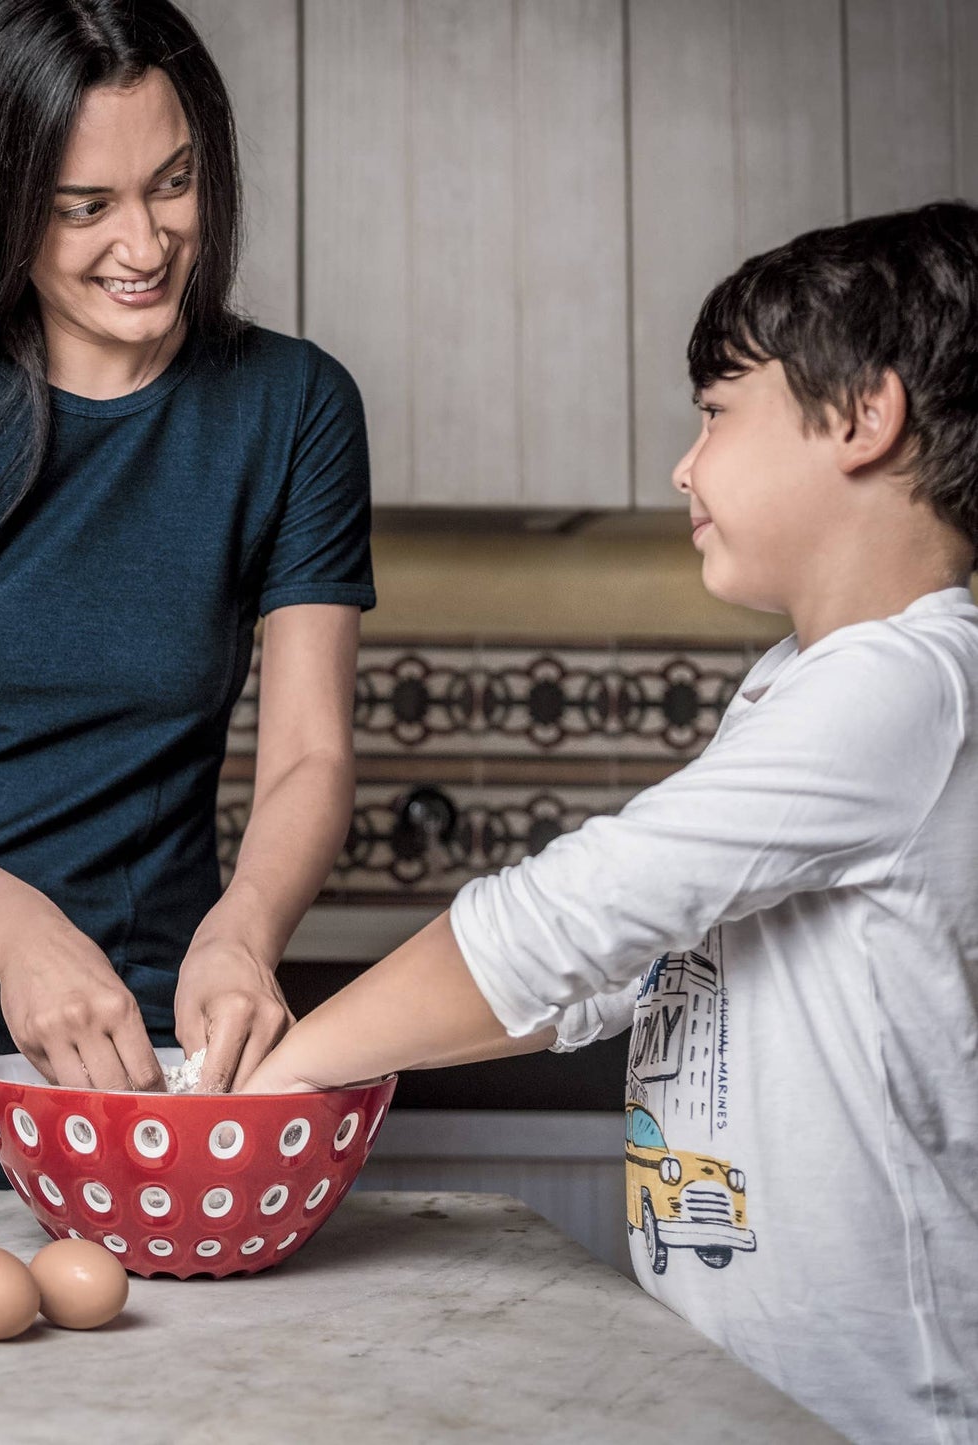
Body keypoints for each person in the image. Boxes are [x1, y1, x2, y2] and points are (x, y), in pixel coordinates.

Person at [245, 202, 978, 1445]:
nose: (684, 466)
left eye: (713, 412)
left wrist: (287, 1073)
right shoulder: (800, 683)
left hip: (872, 1406)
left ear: (861, 413)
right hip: (752, 1388)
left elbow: (568, 920)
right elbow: (612, 967)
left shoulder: (907, 683)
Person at [0, 0, 374, 1186]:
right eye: (82, 207)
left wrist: (244, 934)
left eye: (173, 183)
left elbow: (310, 753)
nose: (144, 246)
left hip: (144, 1037)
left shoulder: (294, 407)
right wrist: (21, 934)